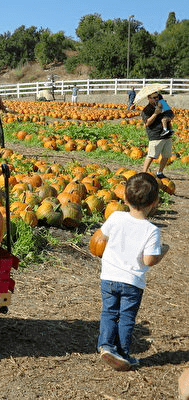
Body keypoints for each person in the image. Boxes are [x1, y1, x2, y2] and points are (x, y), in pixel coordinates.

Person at [96, 172, 169, 371]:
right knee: (126, 317)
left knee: (109, 312)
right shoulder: (151, 230)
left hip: (109, 277)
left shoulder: (115, 216)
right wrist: (162, 252)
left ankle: (106, 346)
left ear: (125, 198)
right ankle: (122, 353)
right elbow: (149, 260)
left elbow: (100, 238)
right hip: (132, 282)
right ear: (154, 202)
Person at [141, 91, 173, 179]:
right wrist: (155, 113)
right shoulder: (146, 110)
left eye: (157, 97)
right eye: (154, 98)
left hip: (167, 133)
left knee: (166, 156)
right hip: (155, 134)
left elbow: (171, 113)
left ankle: (160, 172)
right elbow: (147, 123)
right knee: (151, 155)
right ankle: (144, 173)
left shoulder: (162, 103)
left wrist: (168, 118)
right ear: (148, 98)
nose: (156, 99)